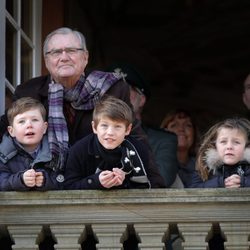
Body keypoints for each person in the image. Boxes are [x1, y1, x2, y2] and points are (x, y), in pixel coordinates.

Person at [0, 27, 165, 187]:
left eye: (71, 50)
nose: (64, 57)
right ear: (47, 61)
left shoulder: (111, 88)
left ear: (85, 57)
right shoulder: (29, 92)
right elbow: (6, 132)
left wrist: (154, 186)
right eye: (56, 52)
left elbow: (133, 137)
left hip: (99, 184)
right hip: (44, 186)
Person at [107, 62, 179, 187]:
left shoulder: (164, 140)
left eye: (125, 89)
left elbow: (162, 179)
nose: (117, 94)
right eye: (111, 89)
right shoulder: (93, 134)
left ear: (142, 99)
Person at [64, 96, 158, 189]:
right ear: (94, 127)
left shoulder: (139, 150)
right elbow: (67, 186)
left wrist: (123, 181)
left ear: (128, 130)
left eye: (117, 127)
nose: (110, 133)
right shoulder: (78, 151)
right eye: (104, 125)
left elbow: (152, 185)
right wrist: (96, 181)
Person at [0, 97, 62, 191]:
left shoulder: (57, 151)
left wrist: (45, 180)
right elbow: (2, 181)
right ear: (11, 131)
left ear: (45, 127)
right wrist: (20, 180)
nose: (29, 125)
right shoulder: (2, 155)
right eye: (22, 121)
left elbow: (65, 181)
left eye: (35, 120)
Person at [190, 117, 250, 188]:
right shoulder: (205, 168)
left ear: (246, 147)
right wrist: (220, 182)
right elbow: (192, 188)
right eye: (223, 141)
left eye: (236, 142)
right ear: (215, 146)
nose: (229, 146)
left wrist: (243, 182)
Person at [161, 109, 199, 188]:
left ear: (194, 133)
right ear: (163, 133)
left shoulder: (205, 168)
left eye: (188, 125)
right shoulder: (157, 167)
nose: (181, 129)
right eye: (174, 125)